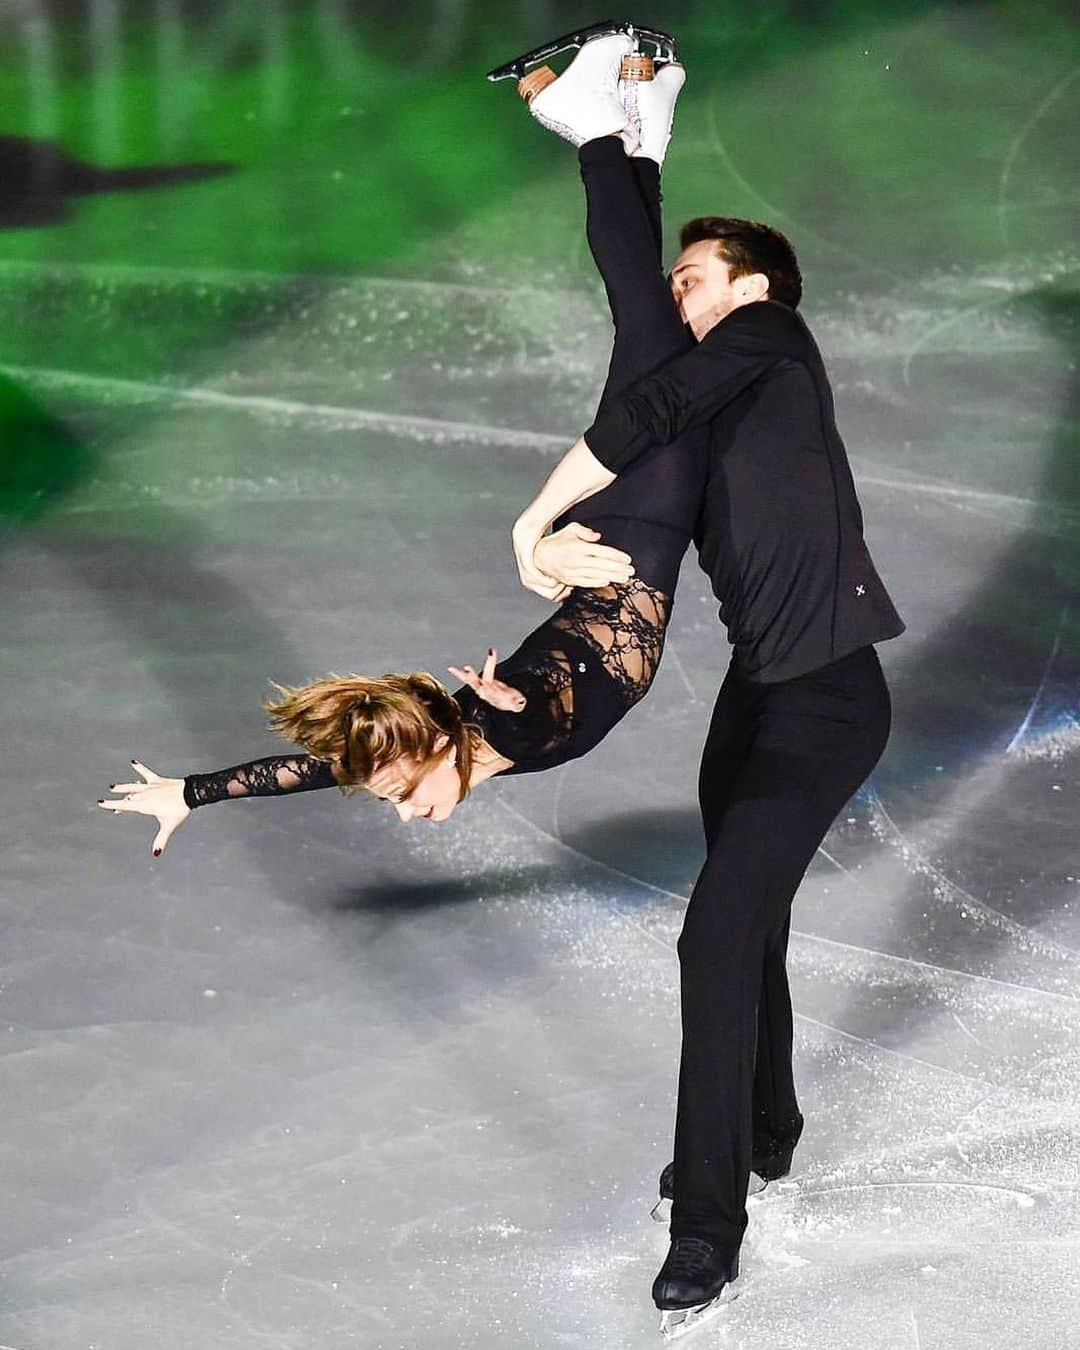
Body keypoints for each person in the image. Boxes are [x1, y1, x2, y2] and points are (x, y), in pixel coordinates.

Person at [506, 24, 906, 1341]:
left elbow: (642, 403)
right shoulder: (718, 394)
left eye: (699, 278)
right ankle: (771, 1124)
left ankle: (707, 1221)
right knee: (756, 915)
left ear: (755, 288)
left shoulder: (777, 340)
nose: (680, 293)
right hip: (761, 700)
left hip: (829, 704)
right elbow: (647, 432)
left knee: (717, 931)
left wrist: (527, 527)